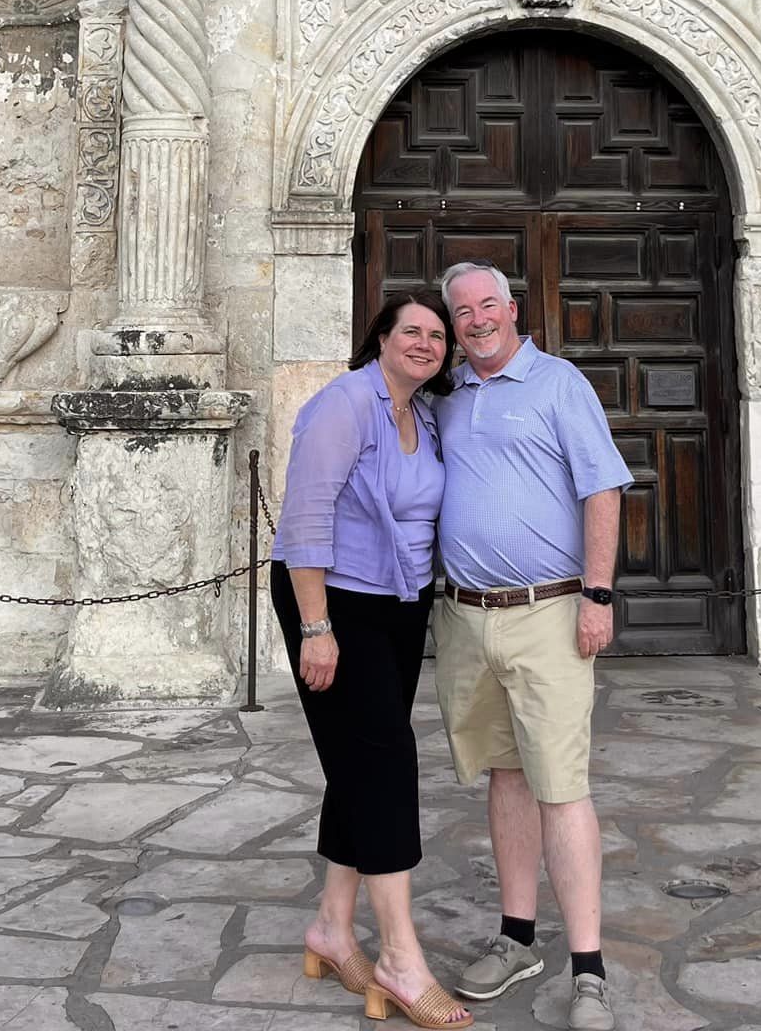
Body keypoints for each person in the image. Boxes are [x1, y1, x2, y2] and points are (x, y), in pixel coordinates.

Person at [434, 261, 632, 1031]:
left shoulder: (558, 385)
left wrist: (598, 594)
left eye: (488, 305)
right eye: (462, 311)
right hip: (465, 618)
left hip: (549, 613)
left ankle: (589, 968)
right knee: (506, 778)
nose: (477, 319)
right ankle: (518, 938)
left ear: (512, 310)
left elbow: (602, 489)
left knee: (561, 785)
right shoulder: (447, 394)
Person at [270, 289, 472, 1030]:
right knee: (386, 760)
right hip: (332, 600)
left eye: (437, 336)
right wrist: (315, 628)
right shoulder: (343, 405)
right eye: (411, 330)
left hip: (397, 601)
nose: (426, 343)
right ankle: (399, 955)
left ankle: (330, 923)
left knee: (361, 758)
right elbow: (305, 517)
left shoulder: (421, 413)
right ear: (380, 338)